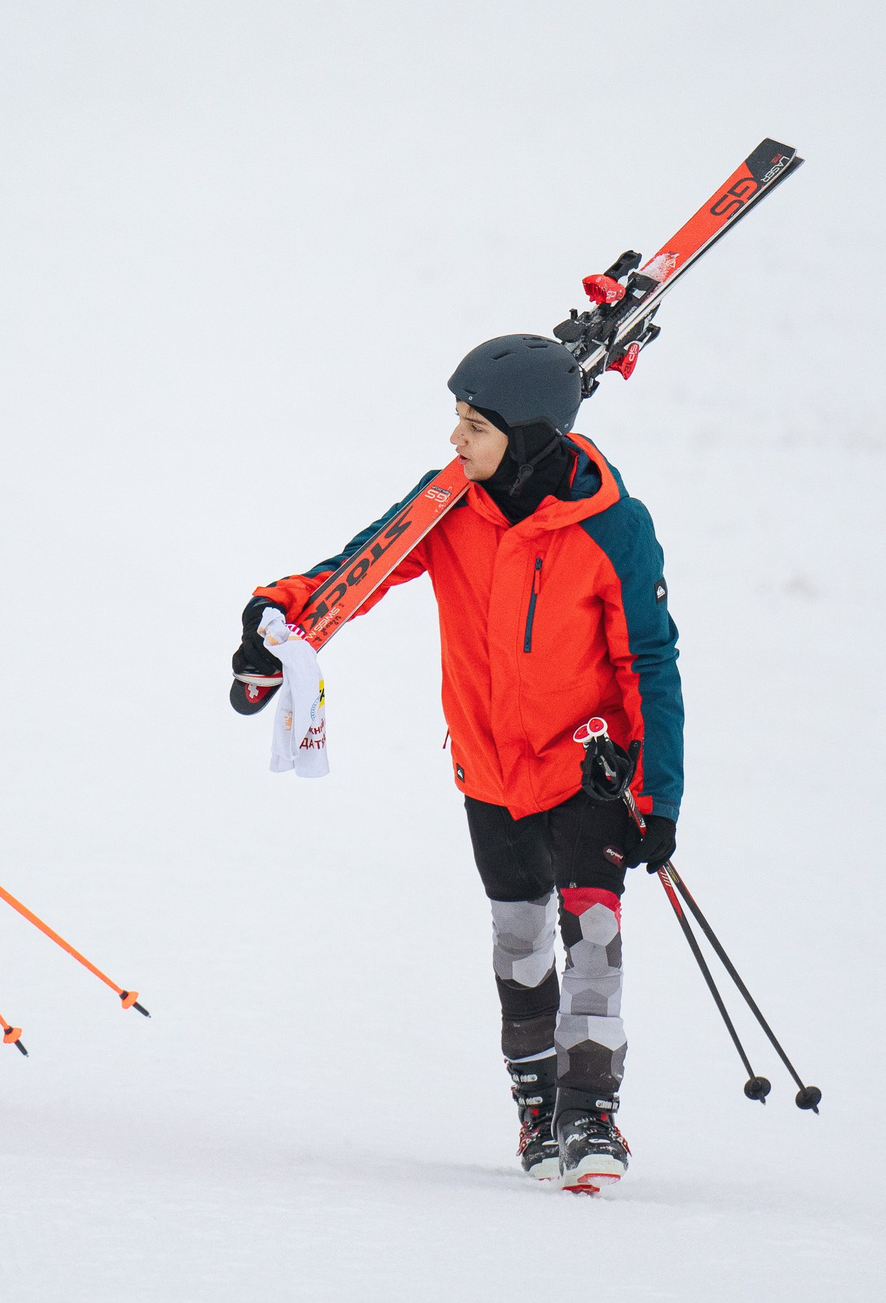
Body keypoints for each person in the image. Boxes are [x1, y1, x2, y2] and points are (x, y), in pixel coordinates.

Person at [235, 335, 682, 1193]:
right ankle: (535, 1101)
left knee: (593, 930)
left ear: (532, 434)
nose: (455, 441)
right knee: (520, 943)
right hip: (489, 767)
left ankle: (590, 1109)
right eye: (456, 421)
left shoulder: (614, 527)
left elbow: (651, 665)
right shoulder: (449, 504)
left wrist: (658, 792)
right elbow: (359, 568)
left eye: (474, 426)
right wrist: (276, 611)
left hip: (589, 766)